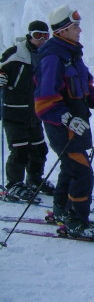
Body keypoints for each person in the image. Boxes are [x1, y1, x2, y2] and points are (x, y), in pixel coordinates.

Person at [34, 6, 94, 239]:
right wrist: (66, 118)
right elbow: (44, 101)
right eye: (75, 26)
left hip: (76, 125)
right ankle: (76, 222)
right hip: (63, 128)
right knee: (82, 172)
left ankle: (61, 211)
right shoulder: (52, 57)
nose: (80, 30)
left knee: (70, 169)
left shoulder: (71, 53)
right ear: (63, 30)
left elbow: (85, 85)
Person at [0, 21, 55, 201]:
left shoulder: (45, 55)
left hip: (34, 112)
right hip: (14, 111)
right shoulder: (16, 54)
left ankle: (34, 179)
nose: (42, 40)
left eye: (45, 36)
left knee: (39, 149)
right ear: (30, 35)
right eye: (38, 35)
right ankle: (14, 184)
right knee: (20, 150)